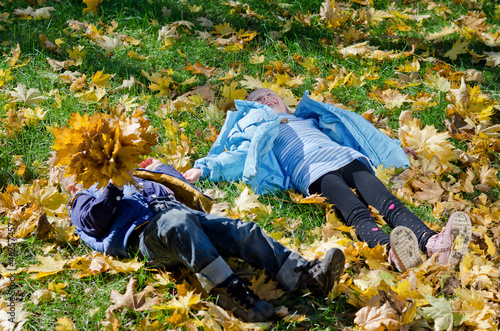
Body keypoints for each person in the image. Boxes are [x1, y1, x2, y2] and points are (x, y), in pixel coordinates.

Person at [183, 88, 472, 272]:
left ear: (284, 101)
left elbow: (360, 135)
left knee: (388, 202)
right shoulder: (259, 131)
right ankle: (390, 251)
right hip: (312, 172)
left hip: (347, 159)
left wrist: (394, 150)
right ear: (253, 111)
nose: (266, 99)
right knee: (356, 212)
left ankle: (433, 242)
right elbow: (238, 157)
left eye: (270, 95)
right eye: (257, 100)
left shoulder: (310, 120)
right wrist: (205, 169)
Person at [65, 158, 345, 322]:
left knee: (242, 230)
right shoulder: (80, 199)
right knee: (177, 223)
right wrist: (113, 185)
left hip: (183, 215)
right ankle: (231, 291)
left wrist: (159, 169)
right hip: (145, 235)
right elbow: (95, 222)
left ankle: (304, 276)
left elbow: (182, 191)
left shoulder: (138, 176)